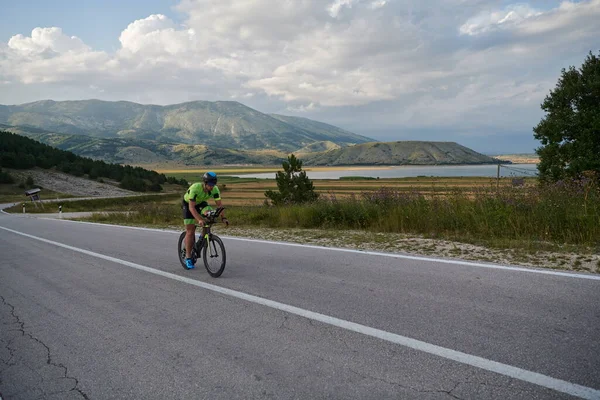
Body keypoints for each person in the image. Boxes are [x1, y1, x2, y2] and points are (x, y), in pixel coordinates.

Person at [182, 171, 229, 269]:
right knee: (190, 231)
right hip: (188, 204)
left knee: (210, 214)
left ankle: (202, 237)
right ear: (205, 183)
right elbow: (191, 208)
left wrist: (223, 217)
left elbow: (219, 205)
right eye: (210, 185)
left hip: (201, 203)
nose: (212, 187)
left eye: (213, 184)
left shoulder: (215, 189)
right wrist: (199, 219)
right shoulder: (195, 188)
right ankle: (188, 257)